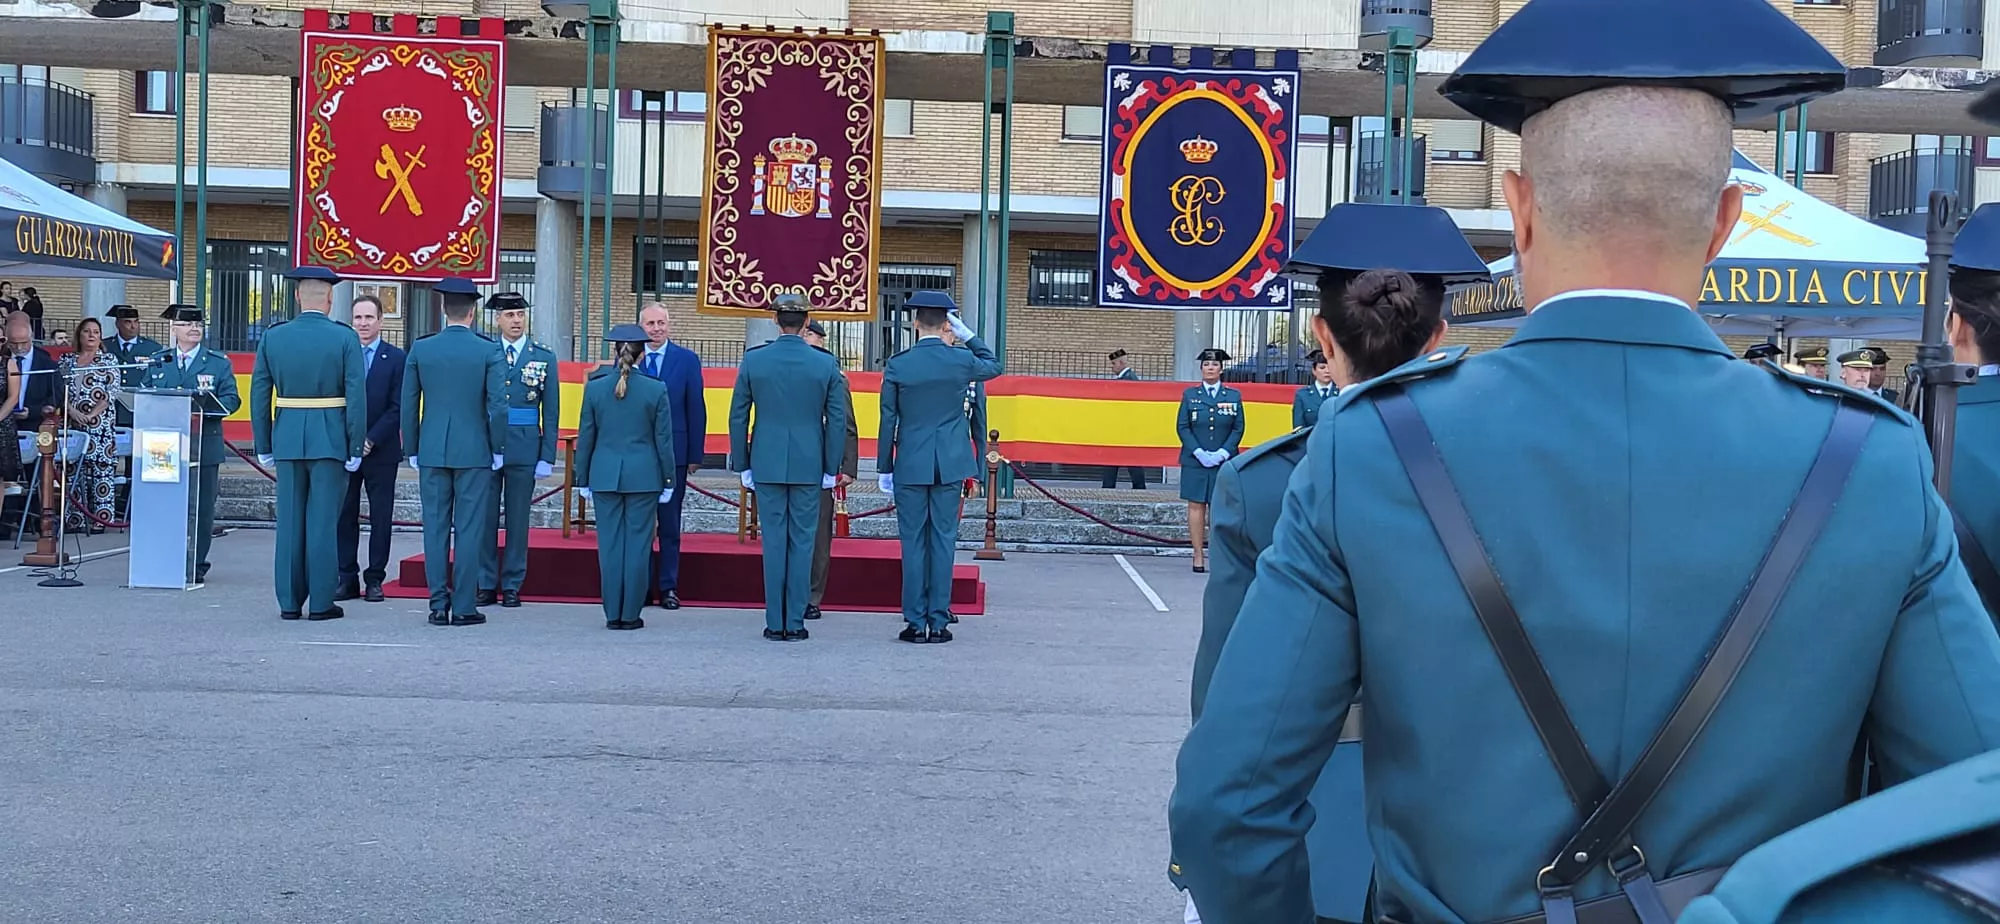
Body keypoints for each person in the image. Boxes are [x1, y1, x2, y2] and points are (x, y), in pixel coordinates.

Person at [1169, 1, 2000, 921]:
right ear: (1727, 221)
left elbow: (1230, 806)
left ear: (1519, 212)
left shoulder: (1370, 445)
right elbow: (1974, 814)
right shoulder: (1870, 459)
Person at [1178, 202, 1490, 924]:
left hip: (1309, 817)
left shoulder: (1262, 482)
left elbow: (1223, 696)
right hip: (1465, 828)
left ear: (1322, 333)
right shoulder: (1502, 468)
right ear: (1439, 335)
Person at [877, 291, 1002, 644]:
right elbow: (994, 365)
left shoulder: (899, 364)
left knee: (913, 543)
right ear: (947, 324)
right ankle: (939, 621)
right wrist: (968, 336)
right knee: (944, 542)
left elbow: (888, 419)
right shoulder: (961, 361)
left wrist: (886, 466)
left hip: (911, 463)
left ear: (915, 323)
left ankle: (915, 622)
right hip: (949, 463)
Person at [728, 293, 851, 642]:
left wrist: (743, 462)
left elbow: (738, 416)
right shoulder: (824, 364)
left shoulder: (754, 361)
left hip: (766, 461)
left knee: (774, 542)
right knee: (802, 542)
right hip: (809, 463)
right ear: (806, 321)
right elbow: (837, 420)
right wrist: (831, 465)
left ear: (774, 320)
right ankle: (795, 621)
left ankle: (774, 620)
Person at [250, 267, 366, 621]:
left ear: (298, 297)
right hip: (330, 438)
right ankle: (320, 602)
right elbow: (356, 397)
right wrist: (355, 446)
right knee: (322, 522)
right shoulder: (344, 338)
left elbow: (259, 393)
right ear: (330, 299)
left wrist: (263, 442)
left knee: (289, 522)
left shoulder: (274, 337)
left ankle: (288, 602)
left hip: (286, 437)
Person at [401, 277, 507, 627]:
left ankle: (436, 604)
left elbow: (408, 405)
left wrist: (413, 447)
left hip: (432, 448)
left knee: (434, 528)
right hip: (474, 449)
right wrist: (497, 447)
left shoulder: (422, 347)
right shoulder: (488, 349)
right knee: (469, 529)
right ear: (473, 312)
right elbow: (497, 406)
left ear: (444, 310)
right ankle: (463, 606)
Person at [574, 324, 676, 630]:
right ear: (643, 353)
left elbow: (586, 437)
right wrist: (669, 480)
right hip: (644, 476)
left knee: (609, 546)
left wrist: (582, 478)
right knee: (637, 546)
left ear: (614, 351)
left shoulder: (595, 388)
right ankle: (630, 614)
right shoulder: (656, 389)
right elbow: (664, 441)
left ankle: (612, 613)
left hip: (604, 474)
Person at [141, 305, 241, 583]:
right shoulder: (159, 360)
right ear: (174, 329)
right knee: (164, 505)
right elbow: (145, 393)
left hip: (203, 446)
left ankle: (195, 563)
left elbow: (231, 400)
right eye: (187, 325)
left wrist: (207, 408)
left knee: (201, 508)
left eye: (198, 325)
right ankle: (163, 557)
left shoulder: (218, 363)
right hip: (164, 447)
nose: (194, 329)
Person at [477, 292, 558, 610]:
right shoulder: (486, 352)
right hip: (488, 443)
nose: (516, 320)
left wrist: (547, 455)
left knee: (518, 519)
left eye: (520, 315)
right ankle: (485, 583)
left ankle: (512, 583)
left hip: (525, 445)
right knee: (484, 517)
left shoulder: (543, 356)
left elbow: (550, 411)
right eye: (509, 315)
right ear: (497, 319)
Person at [334, 294, 405, 604]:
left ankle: (375, 578)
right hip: (346, 449)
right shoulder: (341, 354)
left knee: (381, 516)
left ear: (381, 320)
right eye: (358, 318)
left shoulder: (397, 357)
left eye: (369, 318)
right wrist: (352, 439)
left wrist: (370, 439)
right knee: (344, 515)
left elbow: (397, 406)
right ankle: (346, 577)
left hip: (382, 450)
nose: (363, 323)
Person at [637, 302, 705, 611]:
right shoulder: (629, 359)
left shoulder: (687, 360)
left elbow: (695, 408)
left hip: (674, 455)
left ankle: (668, 587)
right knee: (638, 524)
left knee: (669, 524)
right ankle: (638, 586)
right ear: (642, 327)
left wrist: (694, 454)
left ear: (669, 325)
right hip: (636, 453)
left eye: (661, 322)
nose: (656, 328)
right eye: (650, 323)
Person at [802, 319, 859, 621]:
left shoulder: (834, 374)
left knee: (818, 536)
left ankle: (812, 596)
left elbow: (846, 424)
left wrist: (847, 466)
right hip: (792, 461)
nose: (806, 338)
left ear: (820, 340)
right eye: (804, 333)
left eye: (811, 334)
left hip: (823, 465)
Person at [1175, 348, 1243, 574]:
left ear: (1221, 369)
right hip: (1196, 460)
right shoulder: (1190, 395)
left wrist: (1224, 452)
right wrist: (1199, 452)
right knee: (1196, 506)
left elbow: (1238, 427)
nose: (1210, 368)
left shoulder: (1233, 396)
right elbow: (1183, 427)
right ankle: (1197, 554)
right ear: (1201, 369)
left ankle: (1217, 554)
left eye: (1214, 365)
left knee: (1219, 508)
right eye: (1206, 365)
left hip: (1223, 460)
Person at [57, 317, 120, 533]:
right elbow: (59, 390)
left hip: (100, 426)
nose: (92, 335)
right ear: (79, 335)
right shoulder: (67, 360)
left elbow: (112, 392)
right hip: (73, 424)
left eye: (96, 332)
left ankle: (101, 519)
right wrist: (72, 411)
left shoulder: (109, 359)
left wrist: (92, 414)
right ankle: (75, 520)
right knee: (73, 472)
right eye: (87, 331)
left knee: (100, 472)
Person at [1101, 350, 1149, 490]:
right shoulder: (1129, 378)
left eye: (1114, 363)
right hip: (1124, 428)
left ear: (1121, 363)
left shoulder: (1127, 380)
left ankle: (1110, 487)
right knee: (1127, 460)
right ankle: (1112, 487)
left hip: (1124, 429)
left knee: (1127, 460)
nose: (1112, 367)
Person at [7, 313, 57, 433]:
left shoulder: (46, 362)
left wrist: (33, 411)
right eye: (13, 343)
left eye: (24, 343)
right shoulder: (3, 357)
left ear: (31, 337)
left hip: (35, 426)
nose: (19, 348)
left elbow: (56, 395)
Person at [1292, 350, 1337, 430]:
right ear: (1314, 370)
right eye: (1322, 368)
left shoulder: (1342, 393)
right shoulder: (1302, 395)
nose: (1327, 371)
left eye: (1330, 367)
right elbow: (1299, 429)